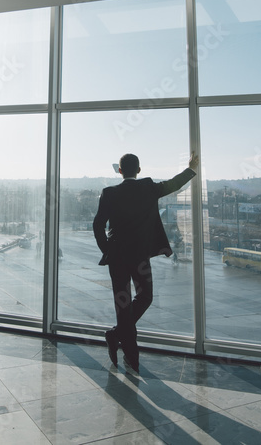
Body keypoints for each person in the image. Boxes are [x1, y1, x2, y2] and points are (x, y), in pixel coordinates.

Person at [93, 152, 199, 372]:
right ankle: (120, 342)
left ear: (119, 171)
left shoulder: (109, 193)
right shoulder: (148, 188)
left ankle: (124, 346)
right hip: (139, 256)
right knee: (146, 296)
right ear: (139, 170)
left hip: (117, 257)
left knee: (122, 306)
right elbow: (173, 185)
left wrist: (108, 249)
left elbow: (98, 225)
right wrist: (191, 169)